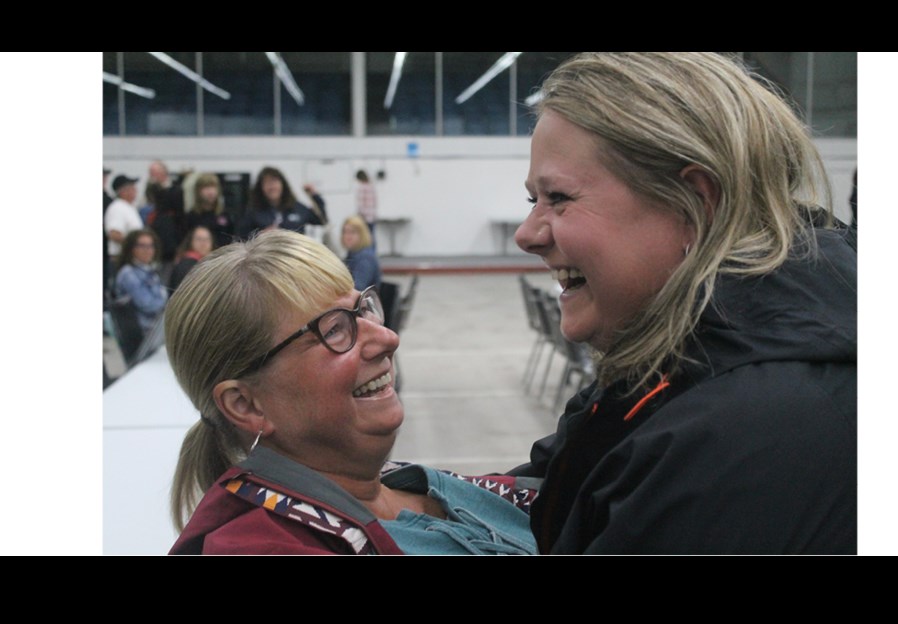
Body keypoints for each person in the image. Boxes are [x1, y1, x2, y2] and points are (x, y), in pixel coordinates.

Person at [510, 52, 856, 554]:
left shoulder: (744, 438)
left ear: (696, 203)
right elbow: (561, 488)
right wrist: (386, 495)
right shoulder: (679, 360)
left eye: (558, 197)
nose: (528, 234)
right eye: (531, 201)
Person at [166, 230, 538, 555]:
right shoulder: (262, 546)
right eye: (333, 330)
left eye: (364, 309)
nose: (388, 339)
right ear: (246, 404)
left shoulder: (407, 486)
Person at [237, 167, 327, 239]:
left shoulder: (297, 207)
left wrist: (315, 196)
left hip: (295, 254)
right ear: (260, 188)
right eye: (267, 183)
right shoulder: (253, 211)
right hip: (265, 256)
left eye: (274, 181)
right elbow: (241, 238)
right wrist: (260, 235)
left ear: (282, 184)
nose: (272, 187)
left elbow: (320, 220)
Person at [114, 228, 168, 334]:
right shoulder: (128, 274)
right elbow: (148, 305)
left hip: (156, 328)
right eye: (142, 246)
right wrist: (168, 306)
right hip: (141, 331)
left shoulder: (151, 270)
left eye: (150, 246)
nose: (147, 250)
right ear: (131, 249)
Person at [146, 160, 186, 266]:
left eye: (154, 173)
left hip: (170, 236)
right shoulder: (151, 190)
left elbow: (180, 217)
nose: (152, 176)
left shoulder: (175, 190)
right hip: (156, 233)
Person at [185, 173, 235, 248]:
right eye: (206, 188)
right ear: (198, 191)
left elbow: (233, 238)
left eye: (214, 187)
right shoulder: (191, 216)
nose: (211, 192)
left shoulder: (226, 214)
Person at [104, 174, 144, 266]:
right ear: (123, 191)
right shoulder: (117, 207)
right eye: (132, 188)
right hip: (121, 258)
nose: (136, 191)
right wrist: (136, 243)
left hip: (130, 257)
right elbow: (114, 233)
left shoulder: (128, 207)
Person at [340, 215, 381, 291]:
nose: (347, 236)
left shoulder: (365, 258)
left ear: (362, 235)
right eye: (345, 232)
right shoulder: (352, 254)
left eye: (352, 232)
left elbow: (357, 289)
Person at [168, 225, 214, 293]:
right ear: (191, 242)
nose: (203, 243)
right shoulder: (187, 265)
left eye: (207, 239)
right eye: (199, 239)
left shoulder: (206, 263)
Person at [355, 169, 377, 241]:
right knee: (372, 236)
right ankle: (372, 251)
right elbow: (375, 201)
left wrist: (359, 215)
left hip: (364, 216)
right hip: (372, 215)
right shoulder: (371, 186)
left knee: (364, 237)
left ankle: (366, 251)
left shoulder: (362, 187)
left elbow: (361, 203)